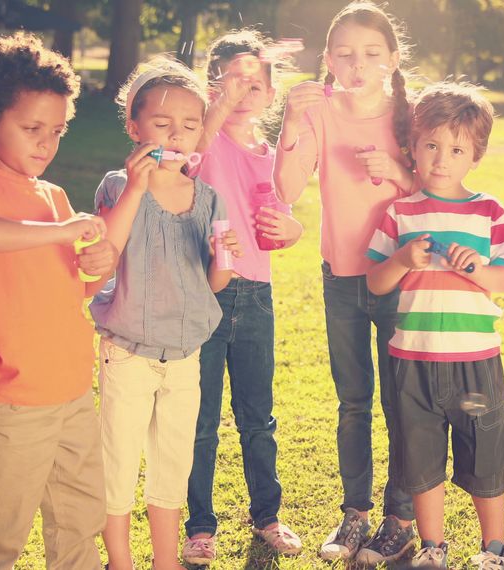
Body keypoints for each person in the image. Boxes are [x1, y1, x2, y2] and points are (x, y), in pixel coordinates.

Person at [0, 32, 115, 568]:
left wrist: (97, 269)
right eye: (31, 128)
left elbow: (69, 292)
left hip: (71, 390)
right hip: (12, 397)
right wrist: (62, 233)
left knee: (80, 521)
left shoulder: (55, 196)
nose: (46, 143)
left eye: (57, 131)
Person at [272, 1, 418, 563]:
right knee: (353, 402)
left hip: (402, 277)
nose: (358, 66)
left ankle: (400, 518)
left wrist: (398, 173)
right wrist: (288, 123)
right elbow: (285, 190)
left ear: (393, 58)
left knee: (403, 402)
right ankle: (354, 515)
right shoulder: (319, 112)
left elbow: (438, 186)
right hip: (343, 279)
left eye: (371, 54)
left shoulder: (411, 113)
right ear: (328, 60)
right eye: (345, 55)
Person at [91, 56, 238, 570]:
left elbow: (215, 283)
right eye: (162, 123)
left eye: (190, 125)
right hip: (127, 349)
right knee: (118, 459)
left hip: (184, 352)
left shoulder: (209, 199)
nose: (177, 135)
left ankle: (165, 561)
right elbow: (107, 248)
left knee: (172, 462)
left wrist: (225, 259)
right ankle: (120, 561)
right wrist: (136, 186)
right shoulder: (116, 185)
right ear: (134, 127)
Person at [366, 82, 504, 569]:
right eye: (431, 145)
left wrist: (475, 269)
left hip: (475, 361)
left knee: (486, 458)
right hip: (414, 359)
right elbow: (375, 281)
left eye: (456, 149)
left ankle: (493, 550)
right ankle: (433, 549)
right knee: (422, 461)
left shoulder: (489, 212)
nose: (441, 158)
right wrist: (404, 260)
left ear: (476, 154)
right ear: (413, 146)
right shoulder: (400, 212)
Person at [181, 30, 305, 564]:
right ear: (213, 85)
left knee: (259, 415)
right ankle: (200, 525)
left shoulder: (272, 156)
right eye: (234, 78)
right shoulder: (204, 141)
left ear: (272, 92)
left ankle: (267, 515)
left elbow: (282, 218)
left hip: (256, 293)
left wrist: (292, 231)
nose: (247, 89)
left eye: (257, 81)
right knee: (201, 419)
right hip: (205, 291)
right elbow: (188, 157)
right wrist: (219, 105)